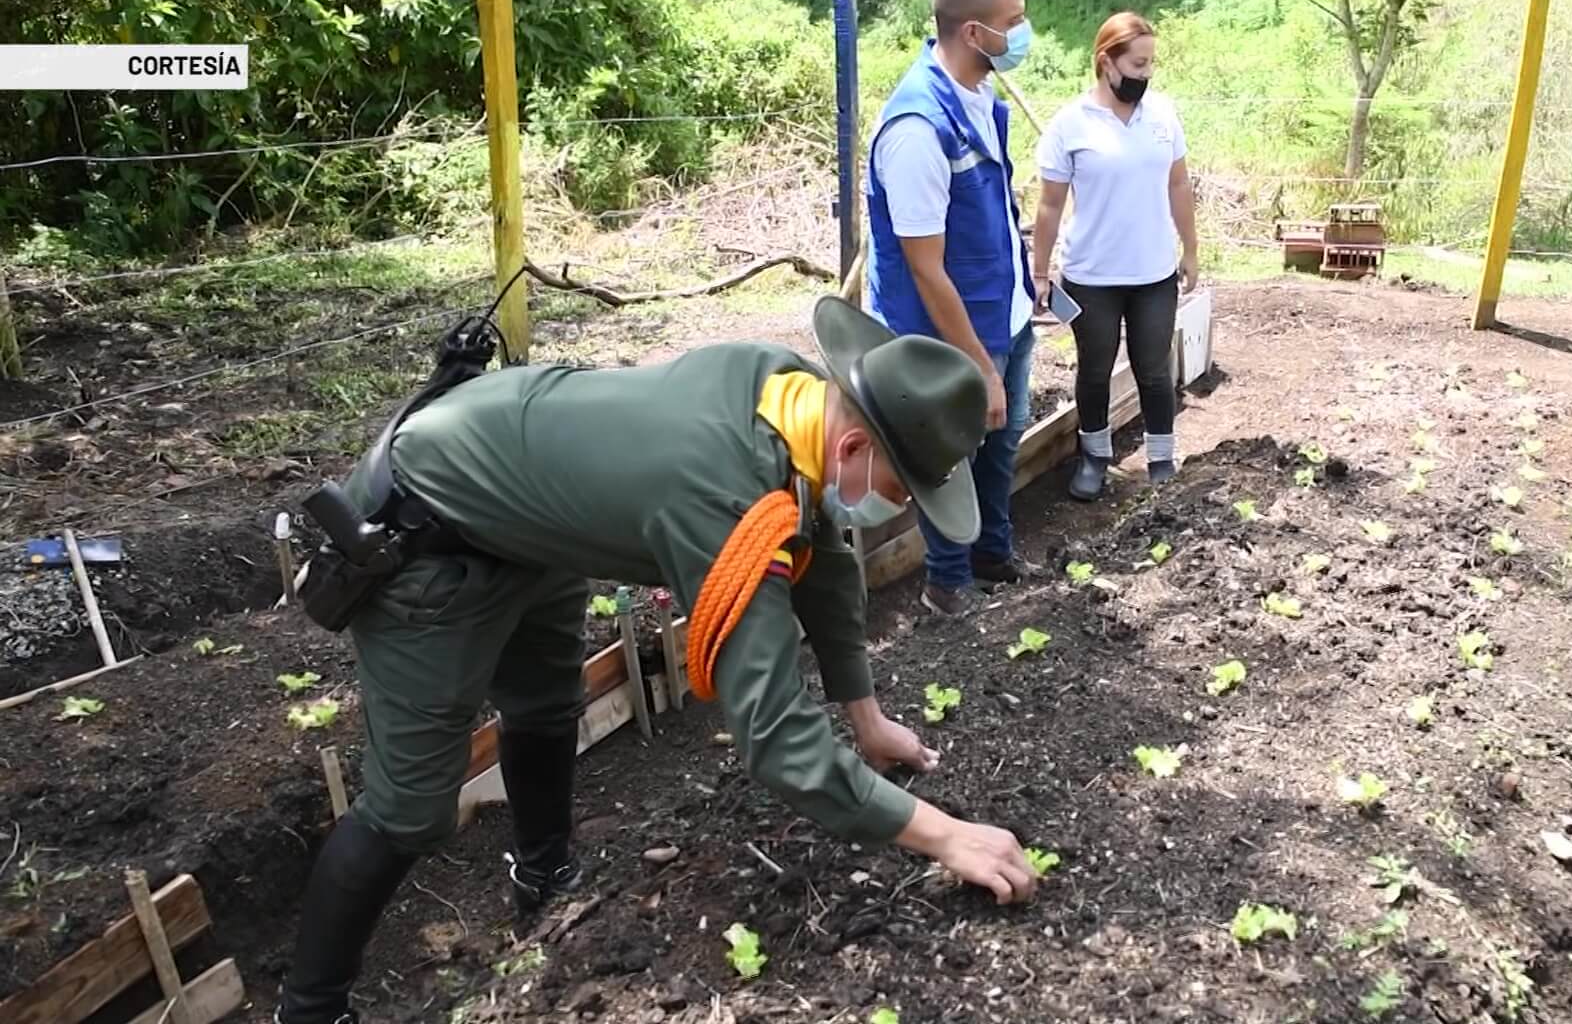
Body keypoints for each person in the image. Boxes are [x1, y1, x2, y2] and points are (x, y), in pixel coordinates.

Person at [272, 298, 1039, 1024]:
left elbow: (825, 556)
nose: (900, 510)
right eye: (902, 490)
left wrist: (865, 717)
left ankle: (543, 879)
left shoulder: (791, 394)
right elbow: (775, 742)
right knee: (408, 811)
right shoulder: (723, 500)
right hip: (426, 535)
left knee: (544, 705)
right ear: (853, 445)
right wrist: (944, 835)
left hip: (529, 511)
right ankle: (310, 1010)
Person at [864, 0, 1039, 617]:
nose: (1023, 34)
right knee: (950, 456)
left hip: (1003, 309)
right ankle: (947, 586)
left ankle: (991, 554)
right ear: (974, 32)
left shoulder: (977, 93)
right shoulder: (915, 129)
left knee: (1002, 440)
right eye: (1013, 22)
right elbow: (925, 267)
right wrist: (977, 365)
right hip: (948, 331)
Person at [1029, 11, 1199, 500]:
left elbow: (1177, 183)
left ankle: (1162, 458)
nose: (1146, 75)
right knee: (1095, 369)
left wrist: (1190, 249)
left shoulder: (1163, 116)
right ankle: (1095, 457)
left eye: (1151, 65)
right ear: (1107, 62)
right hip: (1092, 275)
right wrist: (1040, 273)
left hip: (1153, 272)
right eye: (1138, 64)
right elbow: (1050, 205)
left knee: (1152, 368)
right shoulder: (1070, 125)